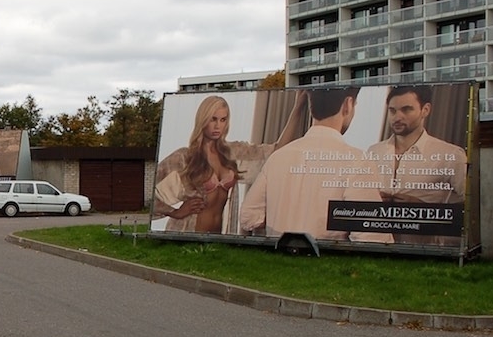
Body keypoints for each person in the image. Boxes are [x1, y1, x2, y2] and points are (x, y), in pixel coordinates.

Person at [240, 87, 392, 243]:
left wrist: (283, 219)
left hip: (279, 261)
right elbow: (372, 237)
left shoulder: (278, 157)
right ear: (348, 104)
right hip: (327, 263)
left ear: (311, 107)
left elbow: (248, 216)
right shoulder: (359, 161)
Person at [153, 93, 306, 234]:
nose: (218, 126)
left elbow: (276, 151)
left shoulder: (233, 152)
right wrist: (176, 212)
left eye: (223, 119)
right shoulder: (185, 157)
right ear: (203, 119)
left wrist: (298, 107)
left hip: (220, 236)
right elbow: (150, 192)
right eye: (213, 119)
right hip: (187, 233)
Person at [366, 85, 466, 246]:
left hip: (425, 252)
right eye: (392, 111)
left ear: (425, 110)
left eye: (406, 110)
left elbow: (470, 208)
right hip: (378, 248)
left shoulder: (451, 155)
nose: (397, 117)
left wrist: (425, 209)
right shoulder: (373, 152)